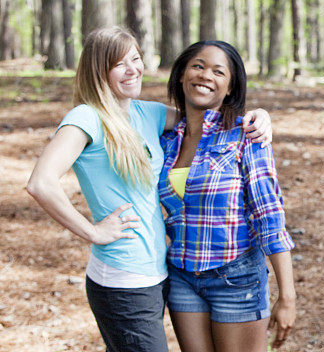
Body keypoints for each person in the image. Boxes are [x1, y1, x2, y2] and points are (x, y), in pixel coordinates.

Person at [26, 26, 273, 352]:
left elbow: (203, 114)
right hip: (122, 278)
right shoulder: (86, 118)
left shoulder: (147, 113)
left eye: (136, 59)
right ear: (99, 71)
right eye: (119, 64)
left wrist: (257, 117)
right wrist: (92, 232)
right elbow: (40, 182)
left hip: (158, 274)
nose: (133, 70)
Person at [159, 40, 296, 352]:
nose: (206, 75)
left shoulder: (246, 136)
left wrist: (287, 296)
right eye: (198, 66)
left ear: (231, 88)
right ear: (181, 75)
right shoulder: (165, 139)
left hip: (236, 279)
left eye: (218, 71)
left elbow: (269, 218)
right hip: (182, 278)